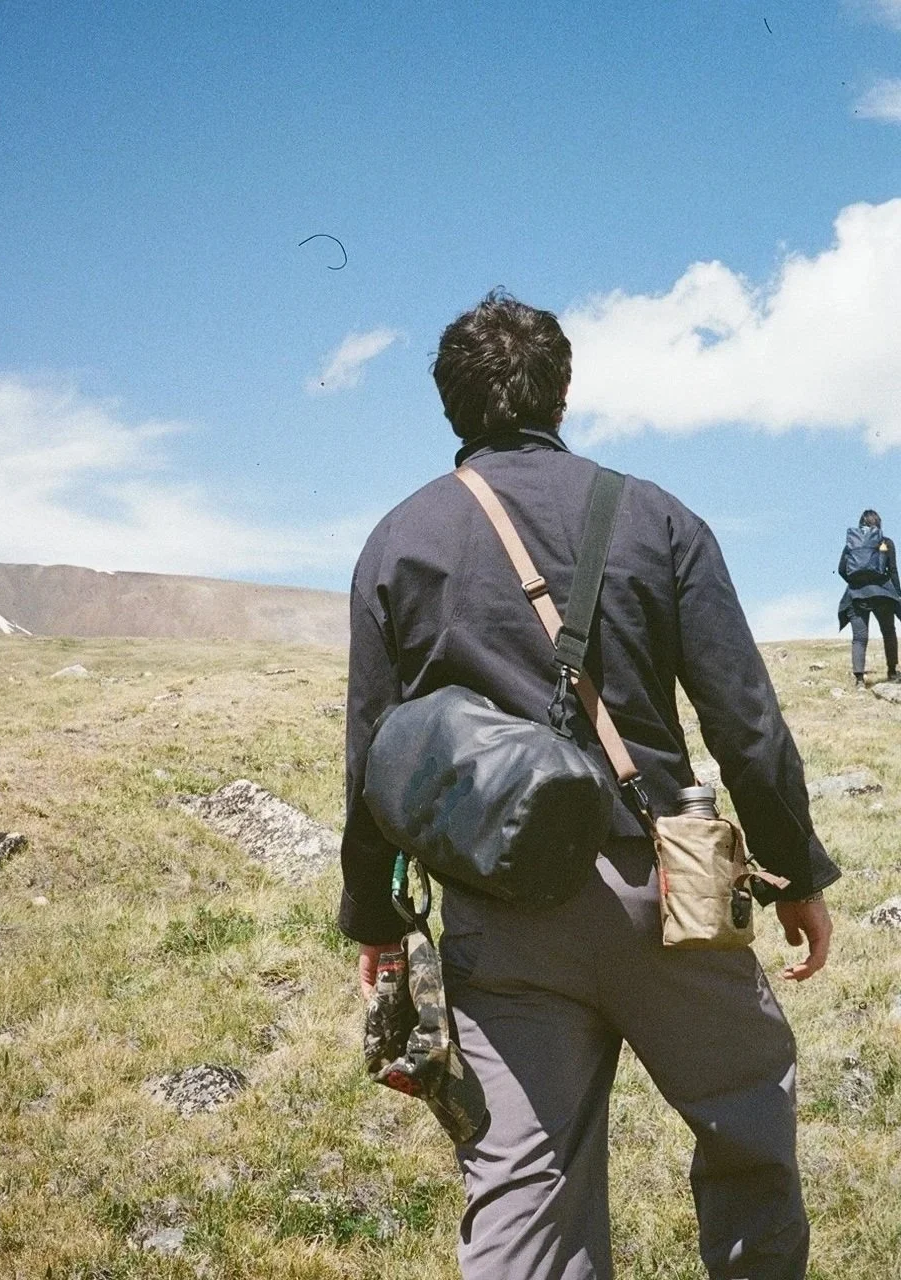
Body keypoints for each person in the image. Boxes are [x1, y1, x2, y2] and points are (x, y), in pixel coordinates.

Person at [338, 290, 839, 1280]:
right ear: (562, 391)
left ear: (450, 405)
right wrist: (794, 871)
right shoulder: (657, 517)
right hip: (667, 892)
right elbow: (744, 720)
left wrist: (377, 918)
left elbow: (375, 760)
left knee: (524, 1198)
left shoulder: (398, 542)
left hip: (502, 916)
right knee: (746, 1120)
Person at [837, 509, 901, 687]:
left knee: (859, 637)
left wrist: (856, 581)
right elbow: (893, 571)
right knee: (888, 632)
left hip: (857, 596)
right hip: (883, 595)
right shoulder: (886, 542)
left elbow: (842, 569)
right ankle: (892, 672)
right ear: (879, 524)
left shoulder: (851, 545)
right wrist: (898, 593)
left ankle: (859, 681)